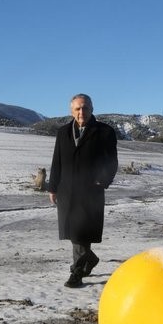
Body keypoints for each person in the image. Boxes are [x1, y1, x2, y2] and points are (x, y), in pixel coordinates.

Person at [48, 94, 118, 288]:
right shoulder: (62, 132)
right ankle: (88, 260)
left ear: (92, 109)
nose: (81, 112)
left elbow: (112, 162)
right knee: (74, 232)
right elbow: (57, 161)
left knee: (81, 233)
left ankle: (77, 273)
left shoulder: (105, 132)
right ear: (71, 111)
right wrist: (52, 187)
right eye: (78, 109)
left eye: (85, 108)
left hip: (90, 192)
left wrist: (102, 181)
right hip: (67, 191)